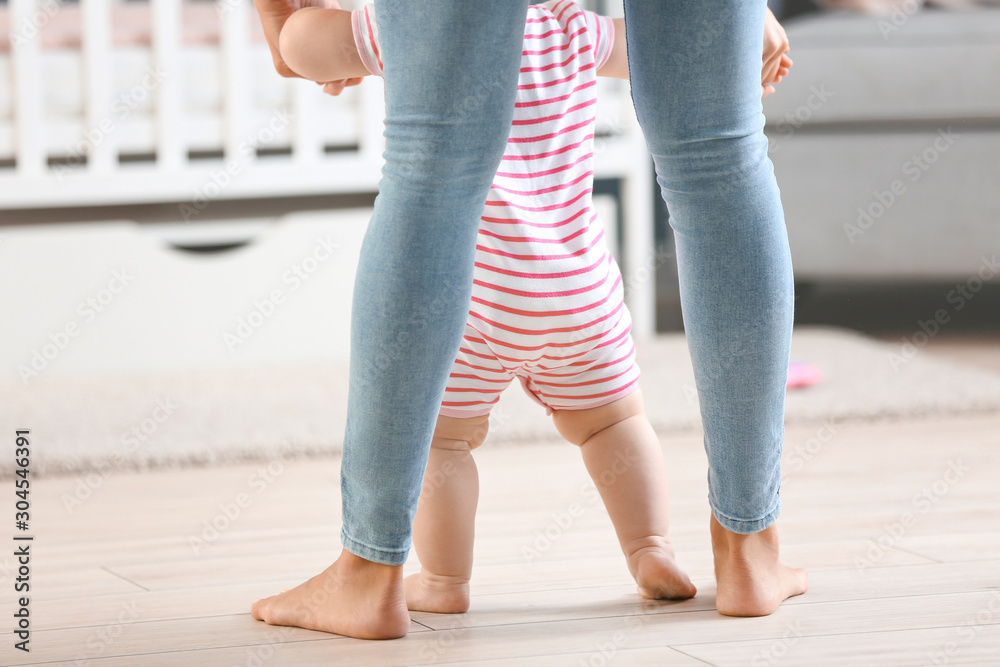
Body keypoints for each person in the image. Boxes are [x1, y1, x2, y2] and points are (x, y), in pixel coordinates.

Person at [251, 0, 808, 640]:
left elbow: (303, 47)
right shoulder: (577, 30)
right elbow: (652, 49)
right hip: (582, 293)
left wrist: (296, 27)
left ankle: (413, 579)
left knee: (445, 440)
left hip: (475, 300)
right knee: (718, 158)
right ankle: (715, 553)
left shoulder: (389, 31)